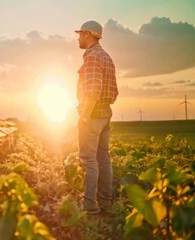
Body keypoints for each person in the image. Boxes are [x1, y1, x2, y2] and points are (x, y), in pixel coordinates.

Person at [75, 20, 118, 214]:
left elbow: (92, 91)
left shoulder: (92, 57)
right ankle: (106, 202)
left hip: (92, 116)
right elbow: (114, 92)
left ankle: (90, 205)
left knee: (88, 160)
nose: (78, 37)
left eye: (80, 34)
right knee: (103, 159)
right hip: (105, 114)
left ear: (88, 34)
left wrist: (84, 115)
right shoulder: (107, 57)